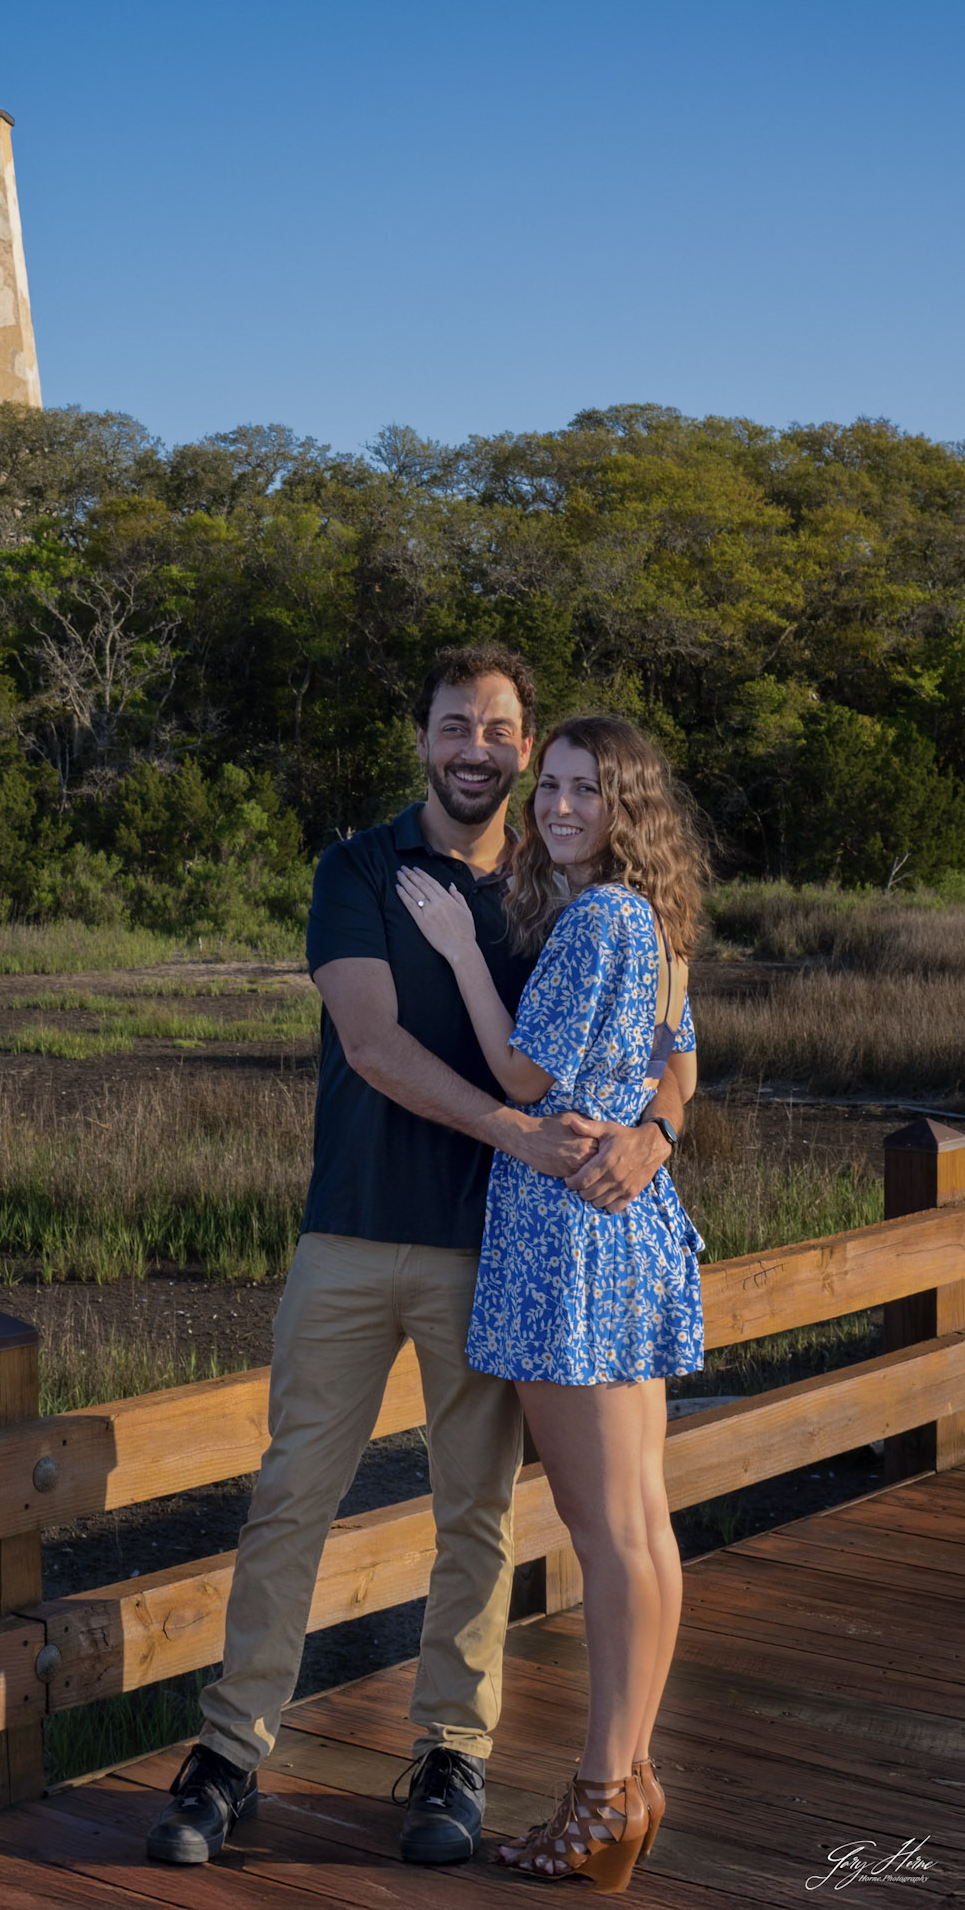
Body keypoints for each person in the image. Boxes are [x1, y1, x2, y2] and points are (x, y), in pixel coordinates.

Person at [145, 650, 688, 1870]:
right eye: (458, 725)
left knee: (477, 1516)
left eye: (503, 731)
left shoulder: (562, 892)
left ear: (532, 747)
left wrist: (654, 1133)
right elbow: (374, 1042)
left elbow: (670, 1034)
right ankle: (229, 1754)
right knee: (292, 1496)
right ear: (424, 737)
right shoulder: (358, 868)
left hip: (487, 1251)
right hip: (346, 1230)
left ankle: (452, 1751)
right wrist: (517, 1129)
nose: (481, 751)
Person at [395, 712, 707, 1893]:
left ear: (626, 805)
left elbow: (521, 1078)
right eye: (554, 786)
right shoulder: (658, 921)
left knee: (605, 1530)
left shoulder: (593, 920)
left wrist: (459, 949)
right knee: (642, 1523)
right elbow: (680, 1055)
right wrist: (657, 1131)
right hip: (624, 1230)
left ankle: (596, 1796)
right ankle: (627, 1780)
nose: (560, 806)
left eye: (587, 788)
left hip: (562, 1238)